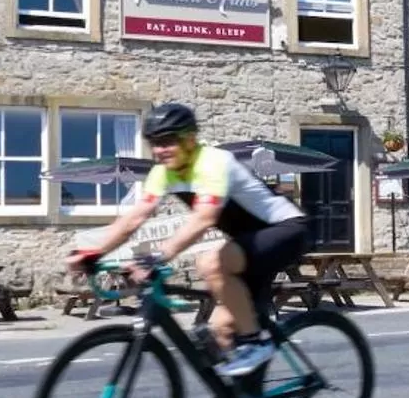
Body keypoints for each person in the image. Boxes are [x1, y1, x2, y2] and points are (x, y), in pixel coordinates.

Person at [66, 103, 310, 377]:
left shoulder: (214, 162)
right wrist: (94, 253)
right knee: (219, 332)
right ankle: (245, 396)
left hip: (287, 229)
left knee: (210, 262)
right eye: (154, 143)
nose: (160, 150)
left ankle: (257, 342)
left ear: (190, 139)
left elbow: (204, 218)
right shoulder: (163, 173)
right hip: (249, 244)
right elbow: (134, 218)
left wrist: (158, 256)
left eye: (168, 141)